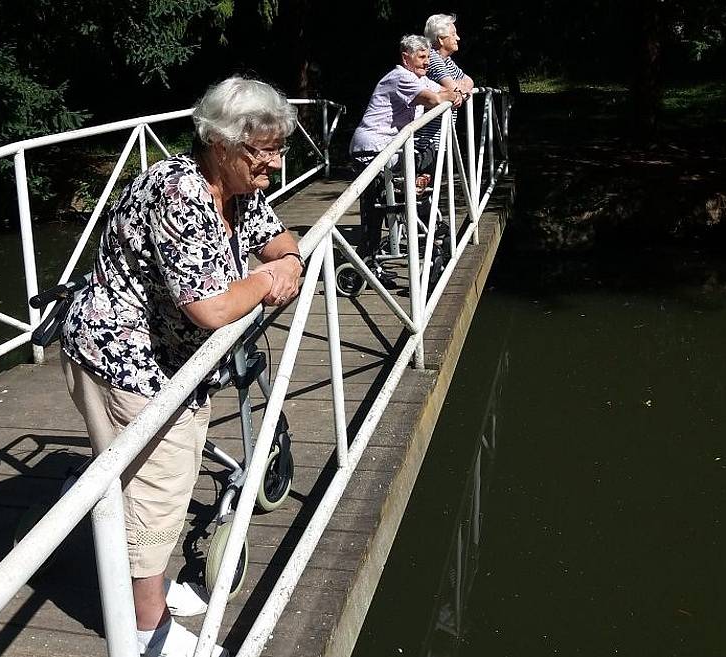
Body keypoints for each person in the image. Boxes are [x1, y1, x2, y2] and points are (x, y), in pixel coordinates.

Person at [59, 77, 304, 657]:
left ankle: (145, 592)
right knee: (155, 493)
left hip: (156, 356)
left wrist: (289, 256)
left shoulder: (238, 190)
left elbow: (277, 237)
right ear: (220, 143)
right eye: (262, 150)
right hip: (125, 358)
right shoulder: (182, 193)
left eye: (279, 148)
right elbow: (212, 308)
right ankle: (147, 631)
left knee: (145, 483)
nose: (274, 162)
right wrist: (268, 279)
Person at [349, 35, 461, 277]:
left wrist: (455, 93)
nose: (426, 62)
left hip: (388, 149)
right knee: (375, 209)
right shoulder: (400, 77)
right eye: (422, 57)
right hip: (372, 149)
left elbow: (444, 90)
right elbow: (435, 99)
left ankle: (418, 203)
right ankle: (366, 263)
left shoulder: (416, 77)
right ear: (405, 58)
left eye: (428, 57)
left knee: (381, 204)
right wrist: (452, 95)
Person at [417, 13, 475, 152]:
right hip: (425, 141)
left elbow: (469, 81)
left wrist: (462, 90)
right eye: (453, 34)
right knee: (426, 173)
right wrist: (460, 90)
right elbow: (454, 90)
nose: (458, 38)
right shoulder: (432, 58)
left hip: (437, 138)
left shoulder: (446, 61)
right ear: (441, 40)